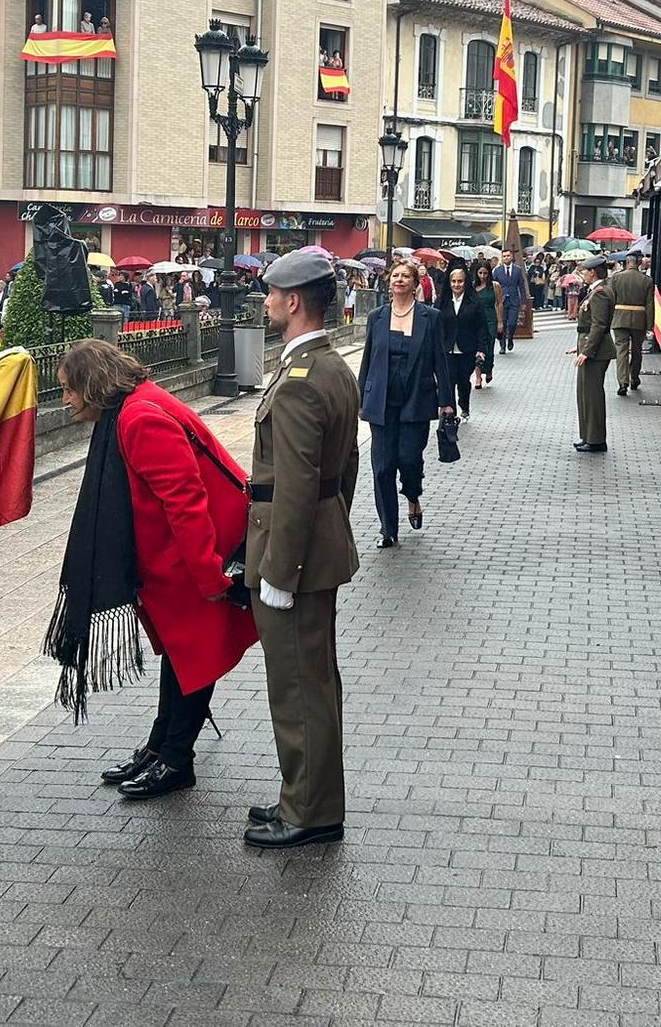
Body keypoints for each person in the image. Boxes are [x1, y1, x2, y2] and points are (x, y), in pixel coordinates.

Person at [44, 340, 258, 799]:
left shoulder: (139, 418)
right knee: (185, 657)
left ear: (91, 383)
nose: (64, 400)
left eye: (67, 389)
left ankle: (176, 759)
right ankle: (161, 747)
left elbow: (185, 500)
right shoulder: (133, 407)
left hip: (198, 556)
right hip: (179, 557)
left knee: (194, 659)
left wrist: (210, 577)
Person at [244, 247, 360, 849]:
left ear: (293, 303)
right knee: (315, 679)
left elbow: (291, 486)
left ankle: (309, 813)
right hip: (320, 543)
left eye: (270, 295)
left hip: (293, 552)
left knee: (297, 685)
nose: (265, 304)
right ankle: (306, 797)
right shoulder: (333, 368)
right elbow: (347, 468)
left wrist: (279, 571)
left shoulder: (298, 382)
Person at [358, 258, 454, 548]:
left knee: (409, 459)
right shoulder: (377, 316)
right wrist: (360, 396)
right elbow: (368, 360)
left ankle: (413, 495)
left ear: (415, 284)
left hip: (416, 397)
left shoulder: (430, 317)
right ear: (389, 283)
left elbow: (440, 358)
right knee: (383, 467)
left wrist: (446, 400)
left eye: (405, 276)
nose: (399, 280)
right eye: (395, 275)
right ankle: (388, 529)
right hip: (382, 400)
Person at [572, 255, 616, 453]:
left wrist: (587, 351)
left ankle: (596, 440)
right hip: (591, 347)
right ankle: (589, 436)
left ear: (593, 272)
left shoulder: (600, 293)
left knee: (592, 396)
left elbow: (599, 325)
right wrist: (580, 347)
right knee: (585, 394)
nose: (582, 274)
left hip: (596, 352)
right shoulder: (597, 291)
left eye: (584, 271)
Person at [437, 264, 488, 417]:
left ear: (465, 282)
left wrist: (481, 349)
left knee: (463, 381)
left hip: (467, 348)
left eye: (460, 281)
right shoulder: (443, 301)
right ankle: (450, 412)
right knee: (449, 381)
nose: (456, 285)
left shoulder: (474, 301)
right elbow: (436, 325)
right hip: (448, 349)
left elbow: (481, 327)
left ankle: (464, 404)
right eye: (453, 281)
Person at [607, 248, 655, 398]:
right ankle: (634, 378)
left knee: (621, 351)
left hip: (620, 318)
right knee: (636, 351)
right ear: (639, 262)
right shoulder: (647, 280)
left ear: (627, 262)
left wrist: (609, 319)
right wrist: (649, 325)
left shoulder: (616, 278)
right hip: (639, 319)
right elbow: (649, 305)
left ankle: (622, 382)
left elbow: (610, 299)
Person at [470, 263, 502, 386]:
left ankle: (488, 369)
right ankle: (478, 377)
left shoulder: (495, 286)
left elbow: (499, 303)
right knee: (478, 348)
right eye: (480, 273)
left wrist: (500, 322)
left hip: (491, 319)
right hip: (476, 320)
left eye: (485, 273)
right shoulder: (472, 287)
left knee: (489, 347)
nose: (482, 276)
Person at [493, 248, 528, 352]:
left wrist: (523, 301)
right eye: (504, 256)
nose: (506, 258)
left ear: (511, 257)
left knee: (512, 323)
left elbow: (521, 286)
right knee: (502, 323)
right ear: (502, 258)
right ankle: (502, 345)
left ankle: (510, 338)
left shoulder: (518, 270)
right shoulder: (497, 271)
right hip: (501, 301)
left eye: (508, 256)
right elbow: (494, 286)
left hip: (514, 300)